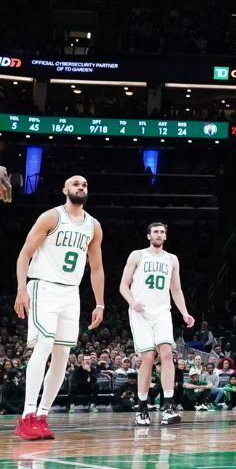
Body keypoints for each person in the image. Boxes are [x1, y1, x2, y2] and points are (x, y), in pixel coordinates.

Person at [13, 175, 105, 441]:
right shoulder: (51, 217)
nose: (81, 187)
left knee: (62, 356)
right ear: (65, 189)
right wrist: (22, 288)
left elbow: (96, 268)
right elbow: (24, 254)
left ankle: (42, 416)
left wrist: (99, 303)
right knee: (43, 346)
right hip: (44, 286)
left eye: (85, 185)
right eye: (76, 184)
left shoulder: (93, 226)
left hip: (71, 293)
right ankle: (26, 416)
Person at [119, 222, 194, 427]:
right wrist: (133, 302)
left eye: (162, 232)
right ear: (148, 235)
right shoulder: (137, 255)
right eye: (155, 232)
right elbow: (123, 286)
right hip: (141, 312)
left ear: (166, 237)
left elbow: (176, 290)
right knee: (149, 357)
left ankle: (168, 406)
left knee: (168, 353)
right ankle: (142, 407)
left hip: (162, 311)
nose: (159, 234)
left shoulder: (172, 259)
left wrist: (185, 313)